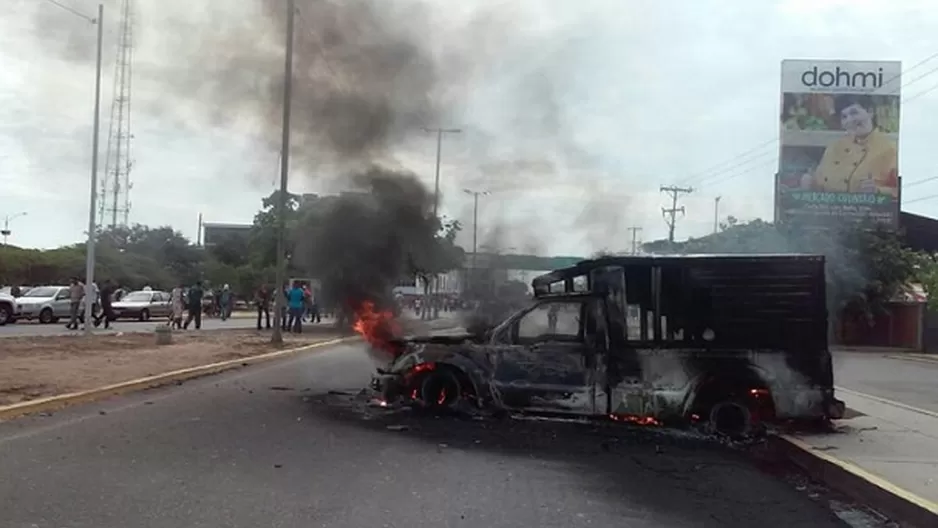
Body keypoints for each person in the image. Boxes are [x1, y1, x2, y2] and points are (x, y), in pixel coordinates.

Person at [805, 94, 899, 197]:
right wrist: (810, 183)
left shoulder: (890, 149)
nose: (849, 120)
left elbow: (903, 192)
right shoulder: (834, 147)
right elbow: (819, 183)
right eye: (844, 117)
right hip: (831, 211)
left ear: (870, 112)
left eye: (854, 113)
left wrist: (879, 191)